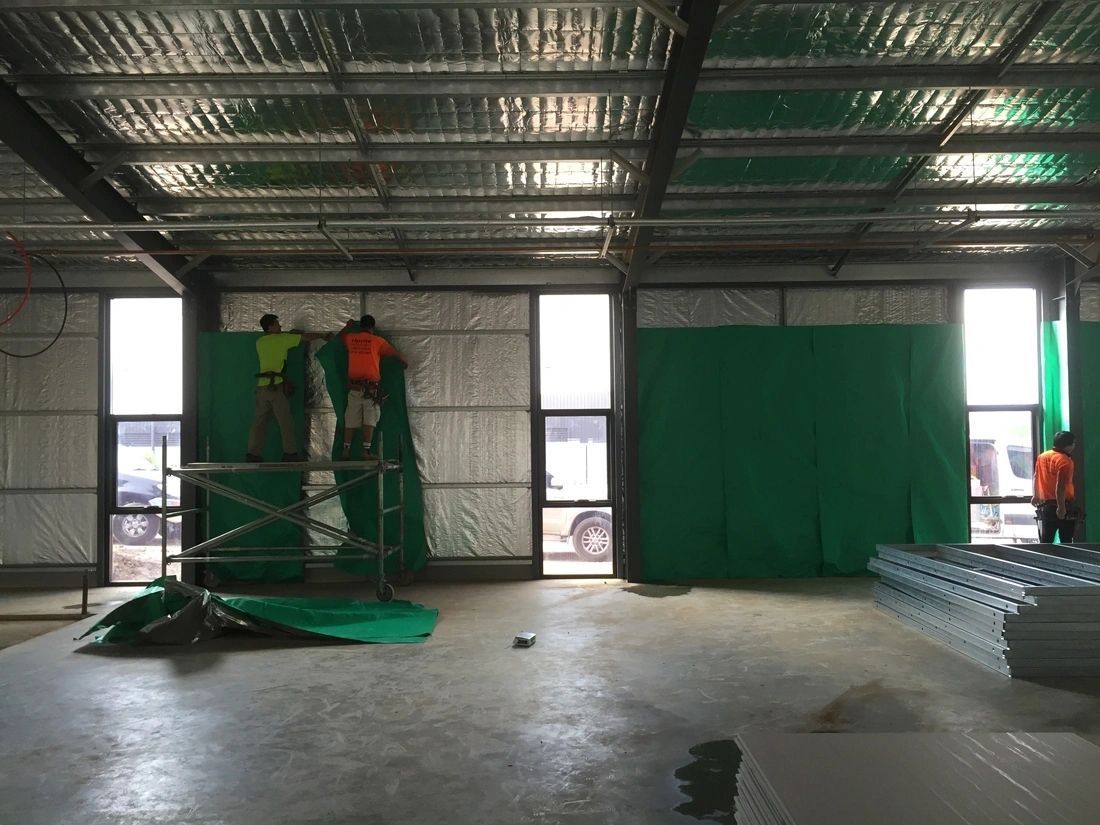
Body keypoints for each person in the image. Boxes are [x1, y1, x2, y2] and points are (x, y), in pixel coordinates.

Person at [246, 313, 331, 462]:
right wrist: (322, 335)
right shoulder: (282, 339)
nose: (280, 326)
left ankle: (253, 454)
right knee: (285, 422)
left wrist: (287, 335)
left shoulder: (260, 342)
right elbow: (306, 338)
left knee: (259, 423)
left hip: (262, 387)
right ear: (271, 326)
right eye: (277, 324)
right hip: (276, 387)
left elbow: (280, 340)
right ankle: (290, 453)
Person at [338, 314, 408, 460]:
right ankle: (366, 452)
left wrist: (348, 326)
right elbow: (395, 354)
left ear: (361, 326)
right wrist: (403, 361)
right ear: (372, 328)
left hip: (354, 388)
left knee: (350, 420)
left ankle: (346, 450)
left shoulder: (351, 338)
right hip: (371, 390)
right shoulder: (377, 341)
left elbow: (340, 337)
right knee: (370, 421)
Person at [1031, 430, 1078, 543]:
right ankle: (1065, 561)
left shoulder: (1042, 456)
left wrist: (1035, 495)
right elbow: (1060, 486)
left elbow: (1036, 476)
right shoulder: (1065, 461)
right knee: (1066, 541)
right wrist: (1061, 508)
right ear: (1068, 445)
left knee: (1046, 541)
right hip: (1062, 505)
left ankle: (1044, 560)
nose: (1074, 446)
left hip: (1045, 506)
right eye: (1073, 443)